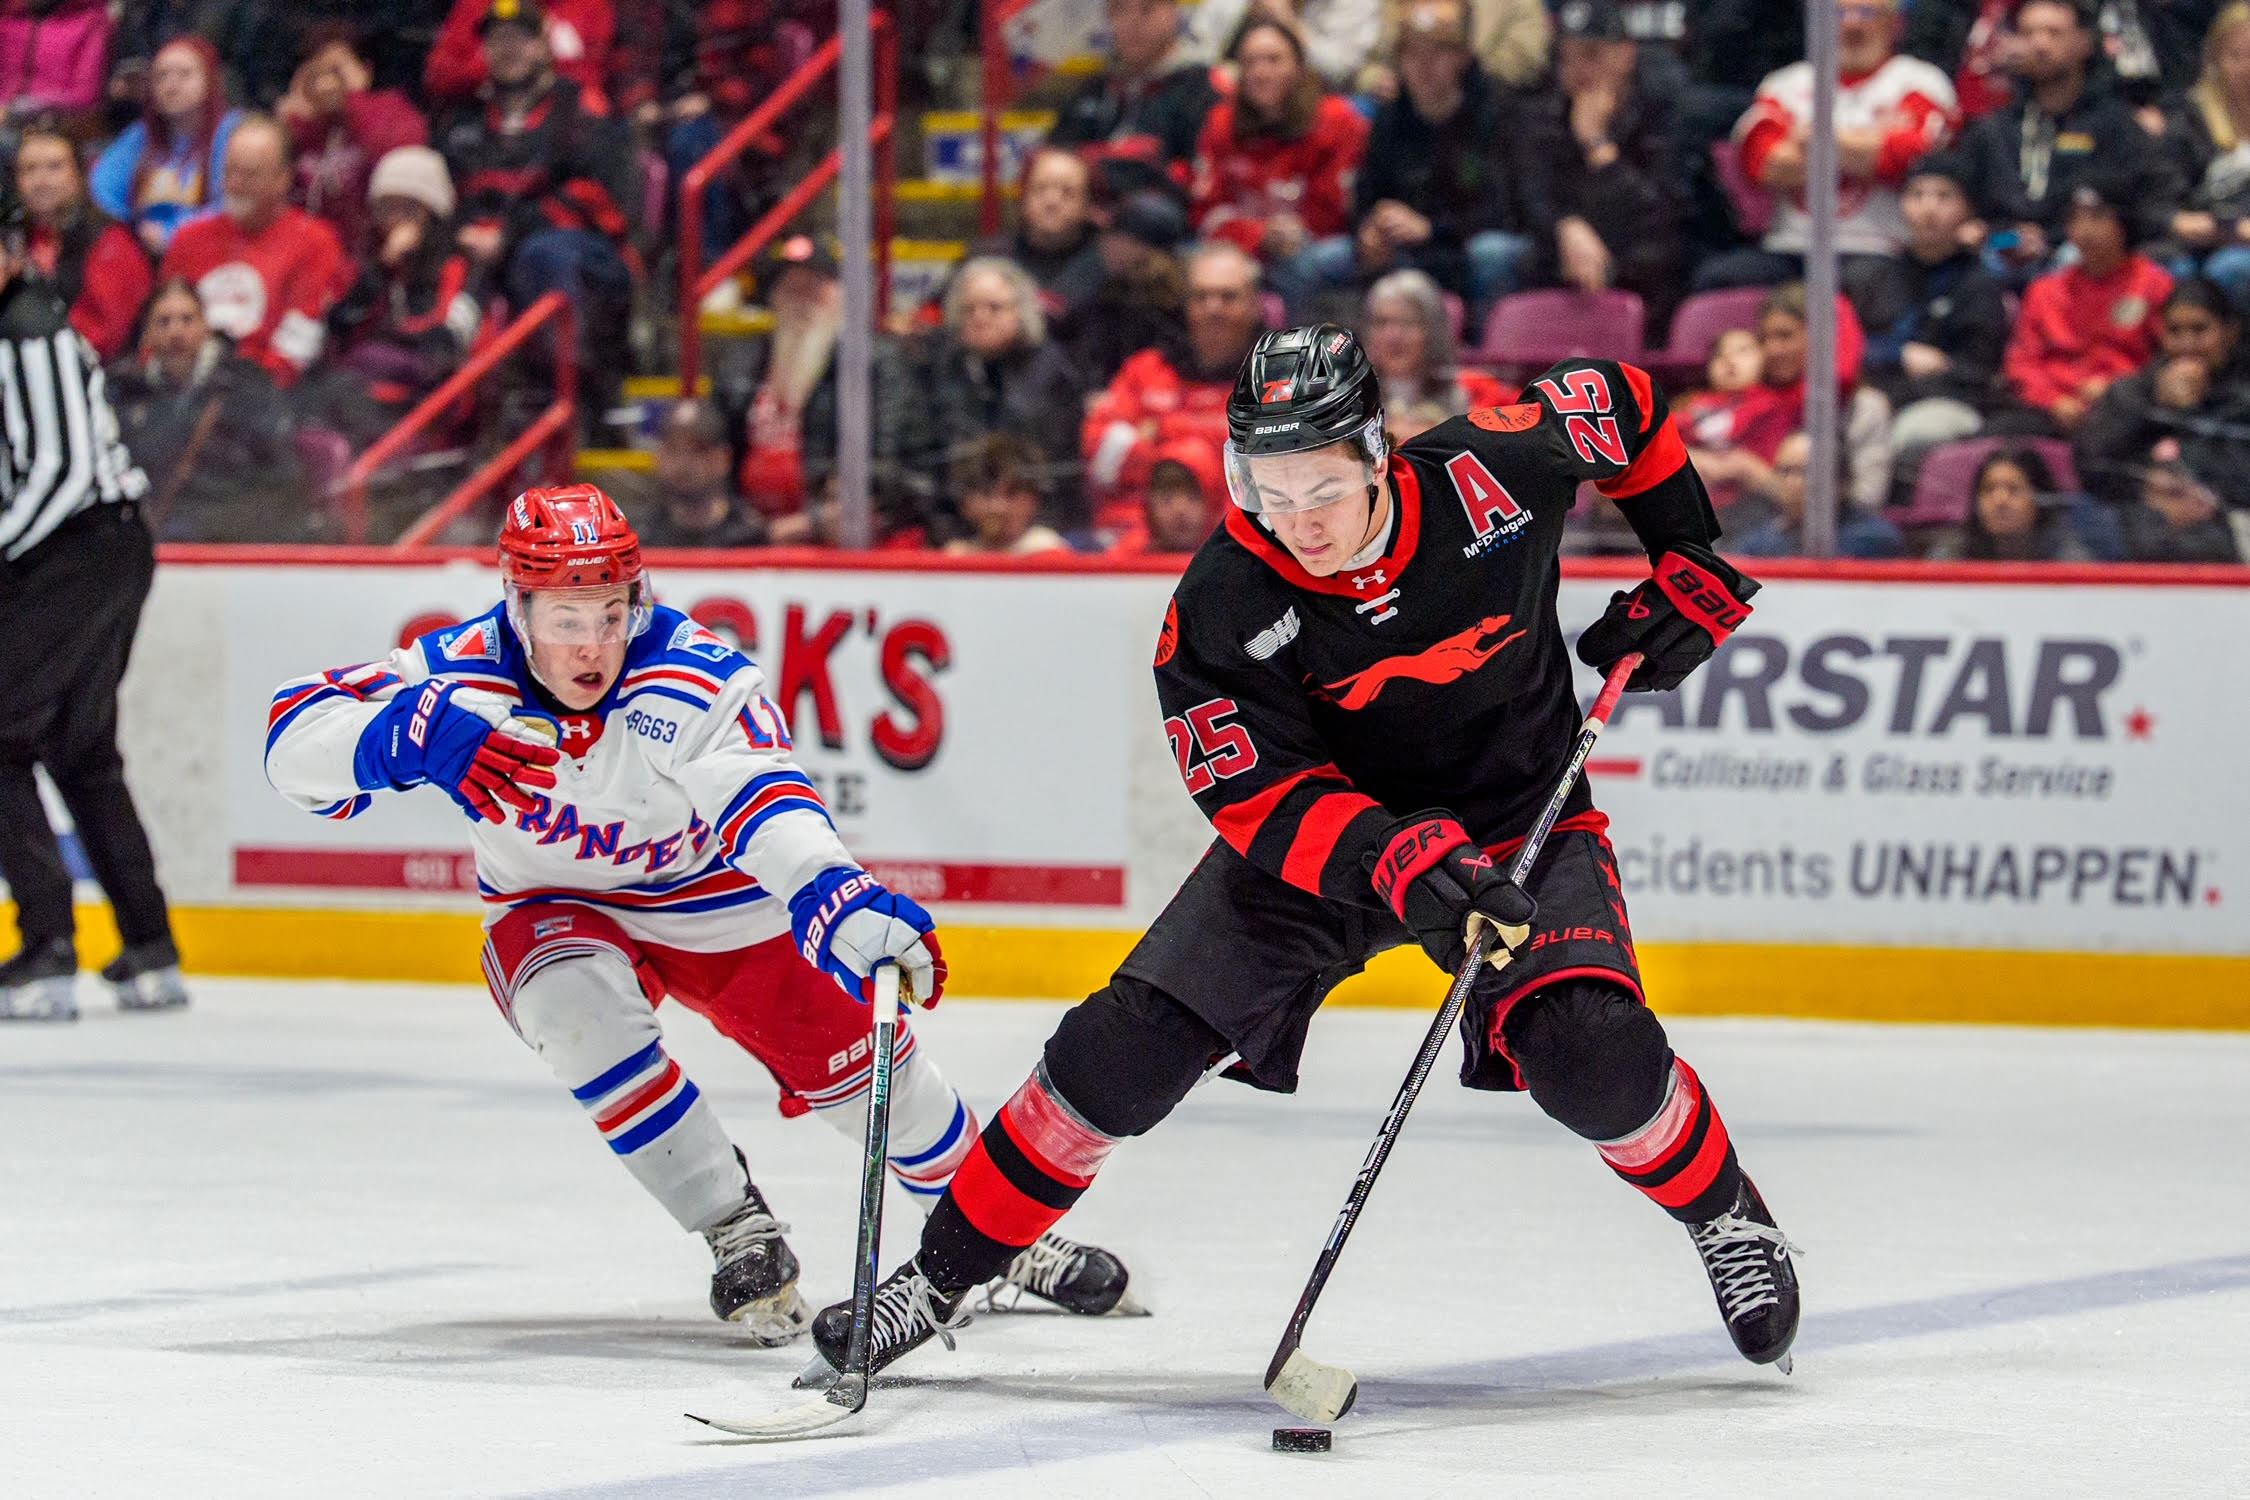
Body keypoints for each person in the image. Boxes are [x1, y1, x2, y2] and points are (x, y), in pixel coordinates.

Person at [798, 325, 1801, 1385]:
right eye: (1266, 491)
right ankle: (939, 1274)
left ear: (1379, 453)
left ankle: (1729, 1215)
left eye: (1320, 488)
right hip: (1329, 850)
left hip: (1516, 819)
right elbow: (1252, 795)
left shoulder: (1492, 471)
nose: (1296, 522)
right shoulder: (1224, 601)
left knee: (1592, 1052)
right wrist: (1384, 850)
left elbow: (1628, 403)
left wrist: (1685, 549)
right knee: (1116, 1053)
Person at [260, 485, 1132, 1337]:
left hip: (716, 897)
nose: (593, 643)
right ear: (516, 610)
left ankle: (1000, 1231)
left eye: (611, 612)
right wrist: (393, 738)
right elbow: (290, 740)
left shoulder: (687, 673)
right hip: (551, 900)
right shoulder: (455, 675)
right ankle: (733, 1226)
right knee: (574, 1014)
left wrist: (830, 888)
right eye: (566, 619)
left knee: (872, 1080)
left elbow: (764, 795)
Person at [0, 230, 184, 1022]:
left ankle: (47, 950)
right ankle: (150, 947)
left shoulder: (27, 328)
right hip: (100, 547)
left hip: (77, 551)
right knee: (81, 750)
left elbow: (60, 470)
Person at [437, 0, 638, 408]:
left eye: (520, 39)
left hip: (585, 260)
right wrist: (458, 232)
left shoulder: (580, 113)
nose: (507, 49)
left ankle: (575, 395)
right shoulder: (465, 123)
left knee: (541, 254)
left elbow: (600, 202)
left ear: (545, 47)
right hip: (487, 259)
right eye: (497, 40)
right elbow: (447, 195)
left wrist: (508, 237)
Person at [1702, 0, 1956, 306]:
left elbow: (1910, 158)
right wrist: (1869, 144)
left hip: (1881, 249)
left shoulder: (1920, 82)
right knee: (1719, 278)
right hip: (1791, 247)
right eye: (1839, 13)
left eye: (1866, 12)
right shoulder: (1785, 83)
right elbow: (1763, 163)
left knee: (1865, 287)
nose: (1851, 24)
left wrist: (1808, 137)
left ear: (1895, 24)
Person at [1306, 0, 1527, 317]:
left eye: (1437, 53)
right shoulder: (1390, 117)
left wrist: (1431, 228)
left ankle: (1486, 355)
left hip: (1459, 246)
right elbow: (1366, 192)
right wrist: (1369, 228)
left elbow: (1501, 209)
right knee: (1318, 262)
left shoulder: (1494, 113)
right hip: (1400, 246)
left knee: (1492, 253)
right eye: (1412, 54)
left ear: (1462, 58)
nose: (1424, 65)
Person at [1954, 0, 2183, 277]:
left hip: (2085, 254)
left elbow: (2143, 207)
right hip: (2005, 253)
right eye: (2028, 34)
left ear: (2083, 42)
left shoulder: (2115, 125)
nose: (2040, 45)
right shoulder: (1993, 130)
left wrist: (2056, 239)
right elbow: (1976, 224)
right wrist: (2007, 239)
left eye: (2053, 33)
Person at [1513, 0, 1688, 329]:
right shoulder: (1546, 116)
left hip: (1645, 256)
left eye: (1591, 54)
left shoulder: (1661, 113)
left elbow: (1659, 212)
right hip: (1566, 256)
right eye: (1567, 58)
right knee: (1513, 258)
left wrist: (1598, 146)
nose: (1578, 71)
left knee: (1656, 259)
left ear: (1625, 55)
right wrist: (1565, 225)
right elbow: (1531, 197)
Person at [1189, 18, 1368, 315]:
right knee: (1191, 259)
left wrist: (1288, 235)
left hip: (1314, 245)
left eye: (1273, 60)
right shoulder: (1221, 122)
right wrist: (1259, 235)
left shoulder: (1337, 120)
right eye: (1250, 62)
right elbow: (1205, 212)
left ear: (1299, 66)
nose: (1261, 72)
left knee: (1308, 262)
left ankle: (1296, 354)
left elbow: (1336, 210)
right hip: (1246, 244)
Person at [1084, 241, 1266, 531]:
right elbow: (1101, 462)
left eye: (1228, 297)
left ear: (1256, 305)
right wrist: (1220, 443)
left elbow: (1280, 474)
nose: (1213, 308)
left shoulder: (1279, 376)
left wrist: (1161, 437)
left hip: (1244, 538)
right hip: (1135, 540)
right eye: (1201, 296)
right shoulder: (1145, 369)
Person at [160, 115, 352, 388]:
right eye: (229, 171)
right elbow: (158, 330)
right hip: (182, 391)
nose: (234, 185)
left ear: (283, 179)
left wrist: (245, 394)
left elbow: (297, 345)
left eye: (249, 174)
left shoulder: (315, 242)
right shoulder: (189, 238)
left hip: (266, 398)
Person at [110, 277, 304, 542]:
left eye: (187, 319)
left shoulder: (245, 385)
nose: (176, 332)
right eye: (163, 322)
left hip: (234, 525)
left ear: (206, 327)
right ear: (147, 335)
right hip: (156, 527)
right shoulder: (127, 392)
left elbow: (278, 469)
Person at [1857, 153, 2013, 478]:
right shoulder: (1876, 275)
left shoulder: (1979, 283)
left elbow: (1977, 372)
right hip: (1881, 392)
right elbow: (1850, 345)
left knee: (1909, 433)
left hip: (1950, 400)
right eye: (1917, 195)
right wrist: (1897, 354)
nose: (1929, 208)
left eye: (1944, 197)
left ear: (1968, 209)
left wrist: (1896, 387)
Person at [322, 145, 484, 438]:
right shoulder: (378, 264)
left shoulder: (460, 265)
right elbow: (340, 325)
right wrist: (383, 269)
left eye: (408, 208)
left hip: (432, 395)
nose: (396, 219)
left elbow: (450, 341)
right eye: (387, 208)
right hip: (374, 391)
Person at [925, 256, 1090, 531]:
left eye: (994, 307)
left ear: (1022, 312)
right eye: (969, 309)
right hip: (960, 531)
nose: (980, 318)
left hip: (1040, 529)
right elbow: (935, 465)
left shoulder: (1055, 373)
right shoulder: (940, 372)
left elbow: (1060, 472)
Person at [2003, 178, 2173, 432]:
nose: (2084, 230)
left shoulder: (2155, 284)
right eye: (2075, 219)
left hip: (2123, 407)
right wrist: (2052, 400)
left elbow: (2166, 358)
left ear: (2124, 222)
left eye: (2097, 217)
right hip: (2050, 407)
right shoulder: (2045, 290)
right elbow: (2023, 360)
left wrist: (2120, 388)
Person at [2074, 276, 2250, 505]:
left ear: (2231, 332)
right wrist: (2159, 405)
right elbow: (2092, 464)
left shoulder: (2243, 393)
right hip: (2150, 517)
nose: (2187, 344)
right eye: (2175, 331)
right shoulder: (2139, 389)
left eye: (2199, 330)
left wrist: (2190, 410)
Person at [277, 25, 430, 255]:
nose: (328, 84)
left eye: (337, 70)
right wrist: (287, 128)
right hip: (311, 257)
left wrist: (351, 103)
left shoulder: (392, 109)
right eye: (317, 73)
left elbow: (401, 166)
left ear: (366, 71)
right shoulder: (303, 129)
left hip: (370, 259)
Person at [1047, 0, 1221, 199]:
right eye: (1120, 9)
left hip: (1163, 214)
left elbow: (1200, 174)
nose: (1132, 21)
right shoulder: (1095, 88)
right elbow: (1056, 151)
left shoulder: (1200, 86)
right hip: (1086, 210)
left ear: (1174, 14)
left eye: (1146, 9)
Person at [90, 35, 242, 256]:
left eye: (185, 74)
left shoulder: (234, 133)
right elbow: (102, 191)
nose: (171, 86)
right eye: (161, 76)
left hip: (213, 250)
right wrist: (133, 230)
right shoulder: (140, 136)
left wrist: (174, 233)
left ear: (210, 80)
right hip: (144, 250)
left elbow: (236, 202)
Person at [16, 125, 155, 362]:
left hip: (103, 378)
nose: (41, 180)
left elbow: (107, 334)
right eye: (29, 169)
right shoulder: (17, 240)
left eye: (54, 167)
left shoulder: (110, 240)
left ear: (79, 175)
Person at [2158, 3, 2250, 303]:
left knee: (2231, 268)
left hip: (2238, 255)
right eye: (2237, 56)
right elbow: (2164, 196)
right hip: (2198, 241)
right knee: (2172, 270)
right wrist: (2176, 219)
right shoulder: (2189, 118)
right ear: (2215, 60)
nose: (2247, 68)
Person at [1064, 188, 1190, 387]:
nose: (1103, 243)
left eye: (1112, 235)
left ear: (1140, 245)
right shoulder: (1101, 298)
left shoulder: (1184, 310)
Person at [1727, 430, 1907, 556]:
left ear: (1842, 482)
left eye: (1807, 472)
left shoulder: (1872, 538)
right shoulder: (1758, 542)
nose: (1793, 483)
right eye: (1785, 471)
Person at [1360, 267, 1512, 415]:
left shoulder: (1474, 393)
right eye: (1381, 322)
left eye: (1407, 322)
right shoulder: (1350, 400)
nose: (1393, 336)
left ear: (1434, 330)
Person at [1927, 444, 2111, 559]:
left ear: (2040, 499)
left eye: (2014, 490)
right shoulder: (1953, 553)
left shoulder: (2067, 557)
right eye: (1989, 489)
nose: (2000, 500)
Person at [424, 0, 615, 105]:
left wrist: (543, 60)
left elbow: (591, 78)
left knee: (592, 103)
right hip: (484, 118)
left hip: (556, 123)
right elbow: (438, 76)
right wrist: (499, 60)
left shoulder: (590, 6)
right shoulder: (477, 5)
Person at [638, 398, 767, 548]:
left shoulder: (748, 535)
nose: (683, 462)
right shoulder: (643, 537)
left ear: (722, 458)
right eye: (673, 450)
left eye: (697, 451)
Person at [1359, 0, 1553, 91]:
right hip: (1408, 112)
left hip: (1490, 110)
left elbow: (1527, 58)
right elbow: (1374, 61)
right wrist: (1376, 80)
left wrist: (1459, 74)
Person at [1187, 0, 1381, 88]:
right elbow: (1199, 51)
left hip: (1317, 99)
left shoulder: (1357, 3)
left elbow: (1338, 70)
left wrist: (1287, 22)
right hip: (1236, 95)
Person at [942, 434, 1070, 556]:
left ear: (1034, 498)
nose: (998, 507)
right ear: (964, 503)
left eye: (1012, 494)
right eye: (986, 494)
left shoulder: (1047, 550)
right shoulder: (959, 554)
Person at [2126, 441, 2245, 558]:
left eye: (2177, 492)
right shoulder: (2133, 521)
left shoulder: (2213, 525)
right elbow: (2146, 550)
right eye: (2171, 493)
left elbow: (2222, 553)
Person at [1108, 440, 1224, 552]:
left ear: (1214, 503)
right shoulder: (1126, 558)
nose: (1180, 509)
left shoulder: (1230, 560)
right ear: (1148, 506)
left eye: (1193, 497)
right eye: (1166, 498)